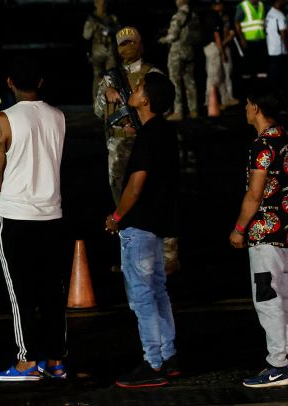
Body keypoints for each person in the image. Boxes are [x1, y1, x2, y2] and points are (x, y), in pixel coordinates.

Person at [0, 58, 69, 382]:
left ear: (10, 83)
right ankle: (55, 360)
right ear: (41, 81)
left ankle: (26, 362)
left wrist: (3, 198)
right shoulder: (59, 117)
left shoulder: (4, 119)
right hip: (52, 213)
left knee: (20, 291)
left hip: (15, 215)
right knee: (52, 290)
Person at [104, 73, 181, 388]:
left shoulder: (148, 136)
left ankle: (153, 363)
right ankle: (169, 354)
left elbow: (135, 185)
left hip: (139, 225)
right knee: (158, 290)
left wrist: (117, 216)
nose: (133, 92)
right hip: (159, 223)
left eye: (138, 89)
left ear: (146, 99)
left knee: (141, 296)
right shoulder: (164, 131)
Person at [229, 88, 288, 388]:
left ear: (256, 108)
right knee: (284, 291)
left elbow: (254, 193)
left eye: (247, 104)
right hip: (286, 229)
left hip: (264, 231)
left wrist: (239, 228)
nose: (245, 109)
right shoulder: (284, 136)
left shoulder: (262, 145)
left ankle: (277, 365)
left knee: (267, 297)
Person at [95, 28, 178, 274]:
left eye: (131, 43)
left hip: (145, 140)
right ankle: (129, 255)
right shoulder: (111, 77)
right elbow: (99, 111)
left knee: (154, 196)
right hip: (119, 147)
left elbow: (164, 103)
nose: (126, 48)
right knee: (122, 199)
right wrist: (106, 96)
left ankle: (167, 254)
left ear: (140, 45)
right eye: (122, 44)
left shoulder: (152, 74)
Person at [160, 0, 201, 121]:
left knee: (175, 82)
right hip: (189, 50)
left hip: (177, 52)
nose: (175, 1)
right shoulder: (193, 15)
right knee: (190, 81)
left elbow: (173, 35)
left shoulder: (179, 15)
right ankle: (194, 110)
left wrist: (164, 39)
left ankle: (178, 111)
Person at [202, 0, 237, 111]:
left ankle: (225, 99)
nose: (219, 6)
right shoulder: (212, 16)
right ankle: (210, 101)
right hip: (214, 47)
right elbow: (216, 35)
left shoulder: (224, 16)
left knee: (223, 75)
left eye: (220, 4)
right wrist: (222, 51)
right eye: (217, 5)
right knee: (214, 76)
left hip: (219, 47)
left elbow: (231, 33)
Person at [83, 0, 120, 98]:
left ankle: (110, 97)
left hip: (110, 49)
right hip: (98, 49)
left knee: (111, 75)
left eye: (104, 3)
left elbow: (119, 32)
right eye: (100, 3)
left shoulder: (112, 18)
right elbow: (86, 35)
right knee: (98, 75)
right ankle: (96, 98)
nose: (102, 5)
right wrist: (93, 27)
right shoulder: (92, 19)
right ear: (95, 4)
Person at [235, 0, 268, 84]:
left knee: (261, 66)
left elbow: (263, 21)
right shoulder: (243, 6)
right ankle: (250, 88)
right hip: (249, 41)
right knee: (250, 66)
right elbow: (236, 22)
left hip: (260, 39)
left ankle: (260, 87)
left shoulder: (261, 5)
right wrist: (242, 38)